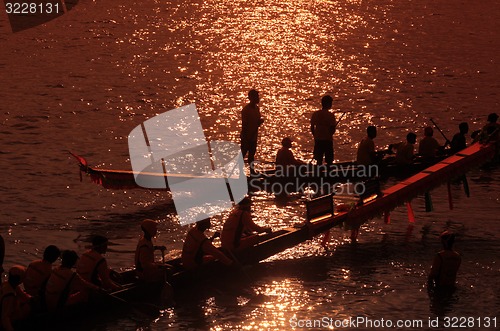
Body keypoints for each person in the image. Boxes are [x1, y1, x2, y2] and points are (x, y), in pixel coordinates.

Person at [0, 266, 31, 331]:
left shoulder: (6, 284)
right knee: (26, 308)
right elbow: (5, 317)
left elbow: (24, 296)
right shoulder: (9, 296)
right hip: (4, 319)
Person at [310, 95, 337, 165]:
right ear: (328, 104)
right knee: (329, 160)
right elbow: (333, 129)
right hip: (327, 140)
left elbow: (312, 127)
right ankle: (329, 174)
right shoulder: (330, 115)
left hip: (318, 139)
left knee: (319, 159)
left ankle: (318, 173)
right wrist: (329, 134)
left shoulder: (315, 114)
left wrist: (315, 136)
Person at [240, 89, 264, 166]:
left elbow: (256, 122)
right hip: (247, 137)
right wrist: (246, 138)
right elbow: (244, 125)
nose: (258, 98)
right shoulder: (246, 110)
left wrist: (259, 122)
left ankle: (252, 173)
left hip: (253, 137)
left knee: (251, 156)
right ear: (251, 98)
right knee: (242, 155)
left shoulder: (257, 109)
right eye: (256, 97)